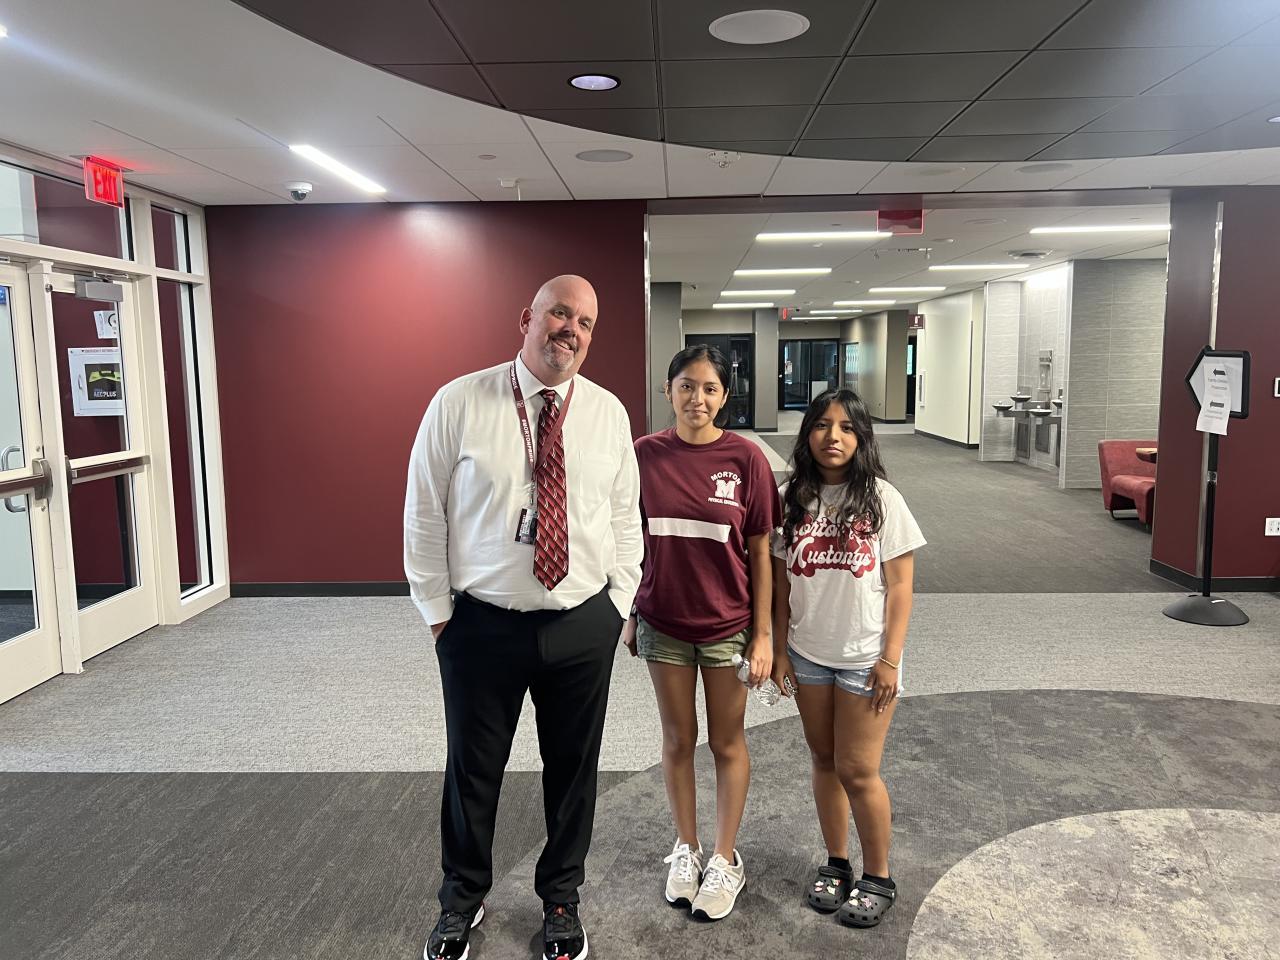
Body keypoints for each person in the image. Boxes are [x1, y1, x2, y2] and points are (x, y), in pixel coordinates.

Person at [404, 275, 642, 960]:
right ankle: (461, 899)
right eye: (560, 314)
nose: (571, 330)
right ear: (526, 320)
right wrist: (439, 616)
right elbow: (424, 511)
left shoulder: (607, 412)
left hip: (581, 623)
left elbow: (625, 516)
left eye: (585, 322)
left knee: (573, 770)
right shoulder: (459, 401)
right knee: (473, 769)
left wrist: (617, 603)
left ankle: (561, 899)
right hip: (482, 625)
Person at [622, 344, 780, 921]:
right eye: (686, 386)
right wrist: (630, 612)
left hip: (726, 626)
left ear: (724, 396)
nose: (698, 398)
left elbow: (760, 553)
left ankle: (724, 857)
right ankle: (686, 849)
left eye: (710, 388)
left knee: (726, 742)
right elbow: (628, 541)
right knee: (677, 739)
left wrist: (763, 636)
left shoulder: (746, 459)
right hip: (662, 621)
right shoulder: (643, 455)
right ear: (667, 391)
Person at [769, 389, 925, 929]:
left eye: (846, 428)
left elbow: (901, 587)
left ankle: (879, 875)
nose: (832, 437)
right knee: (823, 760)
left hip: (865, 658)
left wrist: (890, 659)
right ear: (806, 433)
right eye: (821, 425)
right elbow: (778, 586)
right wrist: (781, 651)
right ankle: (837, 863)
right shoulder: (789, 499)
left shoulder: (882, 499)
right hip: (808, 654)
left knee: (858, 770)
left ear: (861, 438)